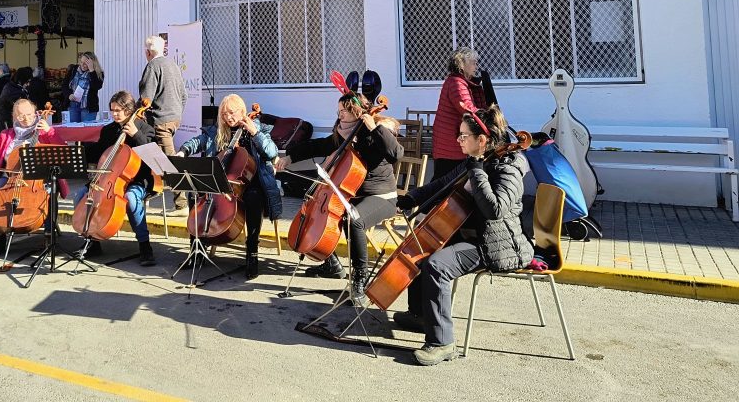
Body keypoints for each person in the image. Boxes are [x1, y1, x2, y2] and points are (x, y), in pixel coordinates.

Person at [391, 105, 533, 366]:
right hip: (473, 235)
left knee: (436, 266)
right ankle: (420, 315)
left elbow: (495, 211)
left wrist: (477, 170)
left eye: (464, 135)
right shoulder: (476, 161)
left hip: (497, 244)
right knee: (422, 245)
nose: (458, 140)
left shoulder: (509, 168)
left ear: (482, 140)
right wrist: (411, 198)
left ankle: (442, 343)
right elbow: (441, 185)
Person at [276, 92, 402, 304]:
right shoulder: (344, 134)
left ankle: (360, 277)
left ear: (356, 111)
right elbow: (318, 146)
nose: (340, 115)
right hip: (355, 196)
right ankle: (332, 263)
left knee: (354, 219)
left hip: (382, 196)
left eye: (344, 111)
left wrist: (374, 127)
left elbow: (396, 154)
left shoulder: (376, 131)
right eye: (339, 111)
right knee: (327, 215)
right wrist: (290, 157)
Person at [177, 94, 280, 278]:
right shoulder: (217, 131)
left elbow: (272, 153)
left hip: (252, 182)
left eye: (232, 113)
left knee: (254, 198)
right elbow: (198, 141)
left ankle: (252, 252)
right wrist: (183, 151)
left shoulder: (257, 127)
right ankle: (196, 248)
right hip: (224, 181)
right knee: (194, 193)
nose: (228, 118)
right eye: (224, 114)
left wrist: (254, 133)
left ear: (242, 111)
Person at [0, 98, 69, 255]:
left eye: (29, 114)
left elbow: (63, 150)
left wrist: (50, 132)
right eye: (21, 115)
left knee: (49, 193)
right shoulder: (7, 135)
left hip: (40, 179)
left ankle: (49, 235)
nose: (26, 118)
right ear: (14, 116)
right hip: (10, 178)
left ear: (36, 113)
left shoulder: (44, 131)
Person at [73, 91, 157, 265]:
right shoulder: (109, 130)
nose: (114, 114)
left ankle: (145, 245)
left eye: (118, 110)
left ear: (129, 110)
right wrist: (78, 152)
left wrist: (136, 135)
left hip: (138, 179)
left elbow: (152, 157)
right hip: (108, 179)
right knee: (80, 195)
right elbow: (98, 153)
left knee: (131, 198)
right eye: (112, 110)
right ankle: (92, 241)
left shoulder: (144, 128)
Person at [138, 35, 188, 208]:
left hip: (160, 120)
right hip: (173, 119)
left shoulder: (152, 66)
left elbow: (146, 99)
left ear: (148, 52)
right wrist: (176, 113)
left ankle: (181, 203)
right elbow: (184, 96)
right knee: (153, 158)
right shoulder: (173, 65)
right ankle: (150, 191)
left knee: (169, 162)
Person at [432, 47, 487, 180]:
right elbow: (467, 109)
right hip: (450, 146)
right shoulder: (456, 83)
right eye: (473, 62)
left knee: (445, 184)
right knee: (445, 184)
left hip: (450, 143)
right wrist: (490, 118)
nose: (476, 66)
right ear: (462, 64)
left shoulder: (457, 81)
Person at [67, 52, 104, 123]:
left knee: (87, 128)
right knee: (73, 128)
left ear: (92, 63)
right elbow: (65, 85)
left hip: (88, 107)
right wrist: (69, 94)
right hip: (73, 105)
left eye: (86, 63)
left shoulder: (98, 73)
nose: (82, 65)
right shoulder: (74, 70)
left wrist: (92, 70)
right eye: (81, 62)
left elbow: (96, 86)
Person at [0, 66, 31, 134]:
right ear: (20, 80)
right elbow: (21, 109)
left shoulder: (12, 87)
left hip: (7, 123)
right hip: (7, 125)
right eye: (27, 82)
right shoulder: (14, 91)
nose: (28, 84)